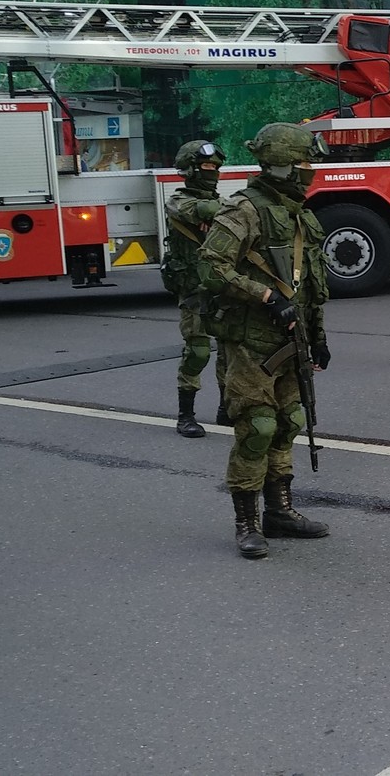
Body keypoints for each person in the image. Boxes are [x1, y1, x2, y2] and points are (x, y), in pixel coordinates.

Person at [199, 123, 333, 559]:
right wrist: (265, 295)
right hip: (252, 341)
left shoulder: (298, 213)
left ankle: (280, 512)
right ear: (283, 164)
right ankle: (246, 523)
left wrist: (319, 337)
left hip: (293, 341)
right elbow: (211, 266)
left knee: (289, 422)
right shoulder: (244, 210)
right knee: (258, 427)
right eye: (303, 163)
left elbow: (311, 284)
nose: (309, 171)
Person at [162, 140, 230, 438]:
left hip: (223, 287)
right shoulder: (178, 200)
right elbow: (201, 210)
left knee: (230, 351)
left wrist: (216, 216)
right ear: (190, 170)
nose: (211, 172)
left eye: (215, 167)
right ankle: (185, 415)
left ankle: (226, 409)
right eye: (205, 167)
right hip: (193, 289)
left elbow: (221, 213)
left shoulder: (223, 204)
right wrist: (218, 215)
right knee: (199, 351)